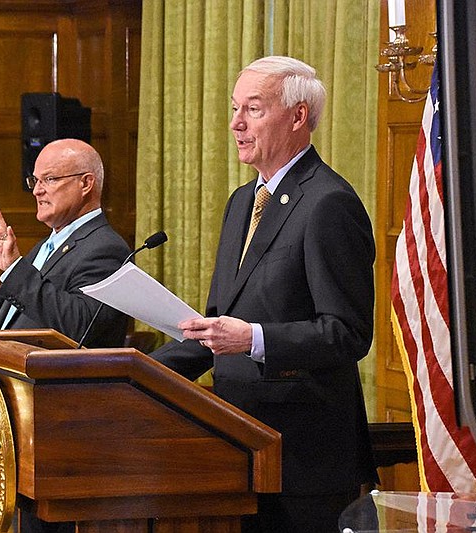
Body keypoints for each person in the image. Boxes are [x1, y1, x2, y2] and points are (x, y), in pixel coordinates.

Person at [148, 56, 378, 532]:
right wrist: (134, 373)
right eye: (235, 109)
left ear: (297, 117)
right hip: (235, 444)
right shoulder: (241, 203)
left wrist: (253, 338)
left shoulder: (329, 203)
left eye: (252, 109)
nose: (236, 123)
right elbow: (218, 324)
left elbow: (347, 334)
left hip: (301, 458)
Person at [0, 138, 130, 532]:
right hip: (22, 408)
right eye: (34, 180)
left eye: (50, 179)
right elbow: (21, 324)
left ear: (86, 183)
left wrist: (15, 269)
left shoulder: (105, 247)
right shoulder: (50, 244)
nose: (37, 190)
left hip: (64, 419)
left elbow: (78, 326)